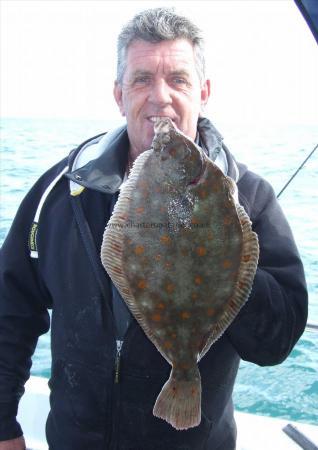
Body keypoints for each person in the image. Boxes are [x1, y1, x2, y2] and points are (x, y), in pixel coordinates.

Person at [0, 7, 308, 450]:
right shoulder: (62, 191)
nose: (160, 96)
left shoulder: (246, 197)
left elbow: (277, 340)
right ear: (119, 94)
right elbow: (11, 306)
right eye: (142, 79)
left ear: (203, 92)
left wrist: (224, 249)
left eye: (178, 80)